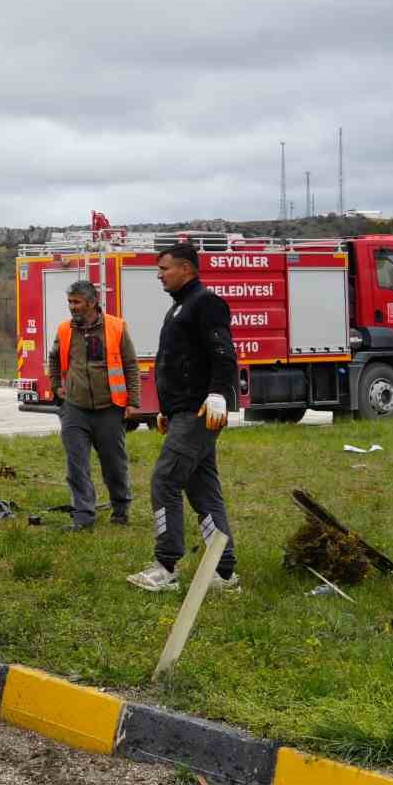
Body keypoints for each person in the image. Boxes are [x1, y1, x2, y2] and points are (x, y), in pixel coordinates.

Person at [127, 242, 241, 593]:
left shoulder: (206, 303)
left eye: (165, 268)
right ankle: (223, 574)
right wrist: (166, 408)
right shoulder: (178, 308)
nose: (159, 275)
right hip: (183, 413)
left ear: (187, 270)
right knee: (203, 491)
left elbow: (223, 353)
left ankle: (166, 566)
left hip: (198, 413)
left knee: (164, 481)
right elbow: (177, 363)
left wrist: (219, 393)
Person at [47, 280, 139, 531]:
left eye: (76, 302)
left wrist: (133, 401)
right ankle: (83, 517)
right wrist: (57, 386)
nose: (72, 307)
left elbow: (131, 364)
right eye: (70, 302)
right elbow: (53, 359)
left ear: (92, 302)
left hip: (110, 408)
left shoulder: (116, 327)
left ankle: (120, 509)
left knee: (114, 464)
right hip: (74, 408)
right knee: (76, 465)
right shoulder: (65, 330)